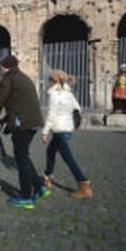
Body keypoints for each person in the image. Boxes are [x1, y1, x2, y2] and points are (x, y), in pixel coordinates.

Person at [0, 55, 49, 209]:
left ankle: (26, 196)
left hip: (23, 124)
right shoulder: (23, 77)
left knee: (21, 159)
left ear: (5, 67)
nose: (0, 69)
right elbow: (17, 102)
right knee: (24, 156)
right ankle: (40, 187)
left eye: (1, 66)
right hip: (34, 121)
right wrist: (3, 120)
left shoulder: (8, 79)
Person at [40, 70, 92, 199]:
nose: (48, 82)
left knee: (68, 159)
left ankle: (84, 184)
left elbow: (51, 114)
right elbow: (78, 108)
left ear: (55, 81)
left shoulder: (54, 95)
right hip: (68, 129)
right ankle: (47, 177)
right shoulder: (68, 94)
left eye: (50, 79)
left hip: (59, 130)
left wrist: (45, 132)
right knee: (50, 151)